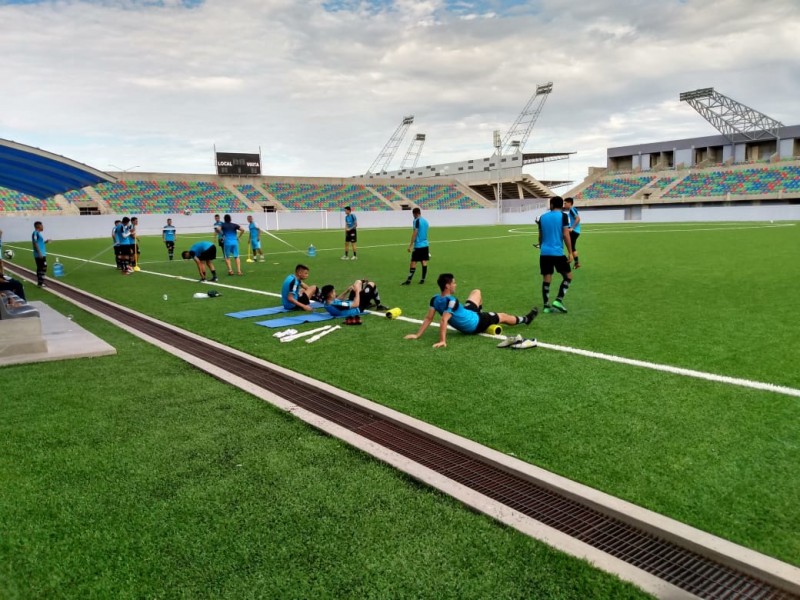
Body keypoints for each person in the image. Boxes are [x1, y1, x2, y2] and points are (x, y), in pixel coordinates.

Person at [405, 273, 537, 348]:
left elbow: (429, 318)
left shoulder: (434, 299)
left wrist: (417, 335)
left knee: (476, 292)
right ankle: (526, 319)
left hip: (468, 312)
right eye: (454, 283)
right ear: (447, 286)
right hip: (474, 323)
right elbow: (444, 319)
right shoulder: (452, 301)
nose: (455, 285)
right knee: (502, 316)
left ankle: (480, 312)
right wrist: (442, 340)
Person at [537, 196, 573, 313]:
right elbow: (566, 235)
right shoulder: (564, 216)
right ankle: (558, 300)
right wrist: (570, 252)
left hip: (545, 252)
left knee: (547, 278)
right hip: (557, 252)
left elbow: (540, 235)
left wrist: (540, 245)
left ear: (551, 205)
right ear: (561, 205)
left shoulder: (542, 217)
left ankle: (546, 306)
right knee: (568, 277)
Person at [320, 279, 388, 319]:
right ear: (330, 294)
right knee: (372, 284)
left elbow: (338, 299)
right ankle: (378, 305)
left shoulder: (327, 302)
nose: (335, 293)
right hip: (359, 307)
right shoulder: (337, 305)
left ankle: (363, 285)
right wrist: (357, 291)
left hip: (352, 302)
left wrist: (347, 290)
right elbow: (356, 304)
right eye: (334, 292)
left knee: (357, 282)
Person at [401, 207, 430, 285]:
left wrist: (410, 245)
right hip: (425, 244)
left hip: (418, 245)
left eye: (413, 214)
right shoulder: (426, 221)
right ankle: (423, 279)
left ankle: (409, 280)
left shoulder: (416, 221)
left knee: (413, 262)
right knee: (424, 261)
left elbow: (415, 232)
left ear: (415, 213)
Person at [31, 221, 51, 287]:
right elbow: (35, 243)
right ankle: (40, 283)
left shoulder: (38, 234)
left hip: (41, 253)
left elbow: (39, 243)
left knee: (41, 267)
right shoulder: (35, 233)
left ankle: (40, 282)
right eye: (42, 225)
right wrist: (39, 253)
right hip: (39, 254)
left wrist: (46, 242)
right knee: (43, 267)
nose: (43, 227)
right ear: (38, 226)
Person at [564, 197, 581, 269]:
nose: (564, 205)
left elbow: (578, 218)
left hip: (574, 231)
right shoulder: (572, 210)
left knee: (570, 246)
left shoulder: (571, 209)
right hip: (575, 231)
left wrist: (572, 228)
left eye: (565, 203)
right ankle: (575, 262)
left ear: (570, 203)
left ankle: (573, 261)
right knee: (572, 247)